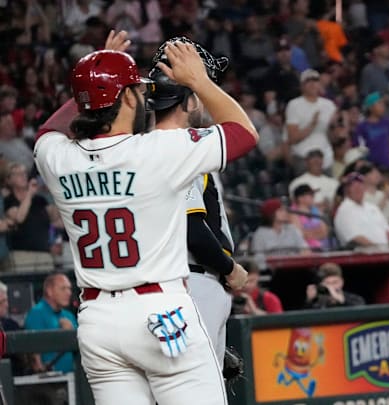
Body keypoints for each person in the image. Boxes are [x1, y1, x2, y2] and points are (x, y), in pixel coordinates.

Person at [33, 37, 256, 404]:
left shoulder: (58, 158)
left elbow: (47, 132)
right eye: (137, 89)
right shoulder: (159, 151)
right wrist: (200, 81)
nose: (143, 95)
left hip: (97, 320)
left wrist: (93, 83)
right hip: (161, 312)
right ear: (129, 97)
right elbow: (244, 133)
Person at [145, 37, 241, 369]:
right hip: (192, 282)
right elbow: (193, 229)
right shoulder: (180, 147)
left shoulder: (139, 149)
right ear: (189, 98)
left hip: (167, 284)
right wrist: (231, 269)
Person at [24, 272, 77, 373]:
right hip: (51, 382)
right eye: (63, 288)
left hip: (75, 377)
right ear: (49, 291)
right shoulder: (37, 313)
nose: (69, 292)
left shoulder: (68, 315)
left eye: (69, 288)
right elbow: (35, 355)